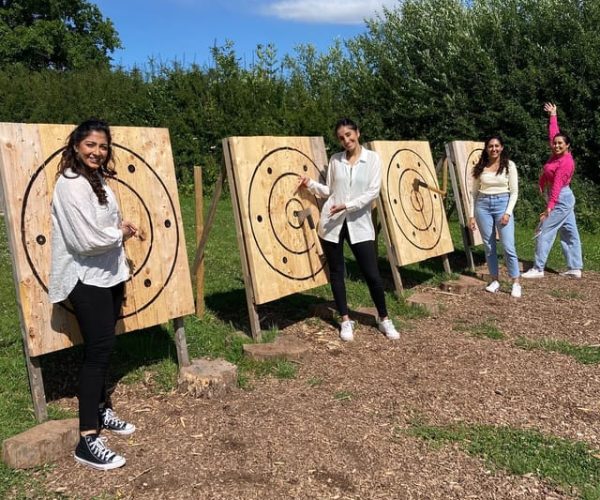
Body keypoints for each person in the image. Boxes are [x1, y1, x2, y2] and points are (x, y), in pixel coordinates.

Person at [48, 119, 138, 470]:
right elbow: (84, 241)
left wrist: (117, 231)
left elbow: (102, 225)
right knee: (98, 352)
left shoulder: (96, 178)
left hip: (109, 274)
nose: (97, 152)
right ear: (75, 146)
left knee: (105, 346)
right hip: (86, 278)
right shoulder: (69, 185)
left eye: (102, 146)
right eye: (90, 145)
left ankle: (101, 410)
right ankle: (87, 439)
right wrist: (118, 234)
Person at [297, 118, 399, 342]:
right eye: (342, 137)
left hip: (359, 225)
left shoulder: (372, 159)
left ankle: (384, 318)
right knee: (337, 273)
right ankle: (345, 320)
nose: (346, 140)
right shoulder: (335, 160)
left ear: (358, 133)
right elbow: (330, 190)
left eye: (349, 135)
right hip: (333, 223)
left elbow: (373, 192)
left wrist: (348, 205)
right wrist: (310, 184)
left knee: (372, 274)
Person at [522, 103, 583, 279]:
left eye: (560, 144)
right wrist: (553, 115)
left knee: (545, 229)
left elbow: (556, 187)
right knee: (569, 231)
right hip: (562, 197)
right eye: (555, 143)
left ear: (567, 146)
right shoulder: (556, 153)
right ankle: (575, 267)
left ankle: (538, 268)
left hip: (561, 198)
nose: (556, 145)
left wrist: (549, 207)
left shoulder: (565, 163)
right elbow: (553, 133)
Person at [468, 136, 521, 298]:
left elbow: (514, 192)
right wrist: (471, 215)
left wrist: (507, 212)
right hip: (483, 206)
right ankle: (495, 280)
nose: (494, 149)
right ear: (486, 148)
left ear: (502, 148)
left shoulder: (509, 166)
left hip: (502, 204)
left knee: (508, 246)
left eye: (497, 146)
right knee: (489, 246)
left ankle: (516, 282)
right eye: (490, 146)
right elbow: (474, 193)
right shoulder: (480, 167)